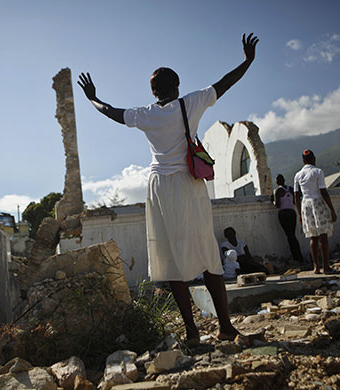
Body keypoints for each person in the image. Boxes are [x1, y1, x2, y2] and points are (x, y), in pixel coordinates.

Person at [77, 33, 259, 345]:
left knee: (174, 260)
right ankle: (226, 327)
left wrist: (91, 96)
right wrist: (247, 60)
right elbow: (225, 83)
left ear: (152, 91)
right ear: (177, 87)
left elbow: (109, 110)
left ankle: (192, 333)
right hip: (190, 183)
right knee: (208, 254)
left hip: (160, 188)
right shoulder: (191, 103)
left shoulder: (145, 114)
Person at [293, 150, 338, 274]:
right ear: (314, 159)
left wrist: (299, 213)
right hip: (317, 203)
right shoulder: (318, 172)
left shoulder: (298, 175)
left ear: (303, 161)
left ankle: (316, 267)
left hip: (305, 205)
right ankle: (326, 267)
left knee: (313, 237)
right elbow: (323, 191)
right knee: (323, 236)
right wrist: (332, 210)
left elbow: (296, 195)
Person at [272, 174, 304, 263]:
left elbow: (277, 205)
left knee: (289, 236)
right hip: (292, 213)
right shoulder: (290, 189)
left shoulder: (278, 191)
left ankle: (296, 257)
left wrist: (273, 201)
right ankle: (299, 256)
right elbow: (294, 201)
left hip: (283, 213)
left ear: (277, 181)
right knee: (292, 235)